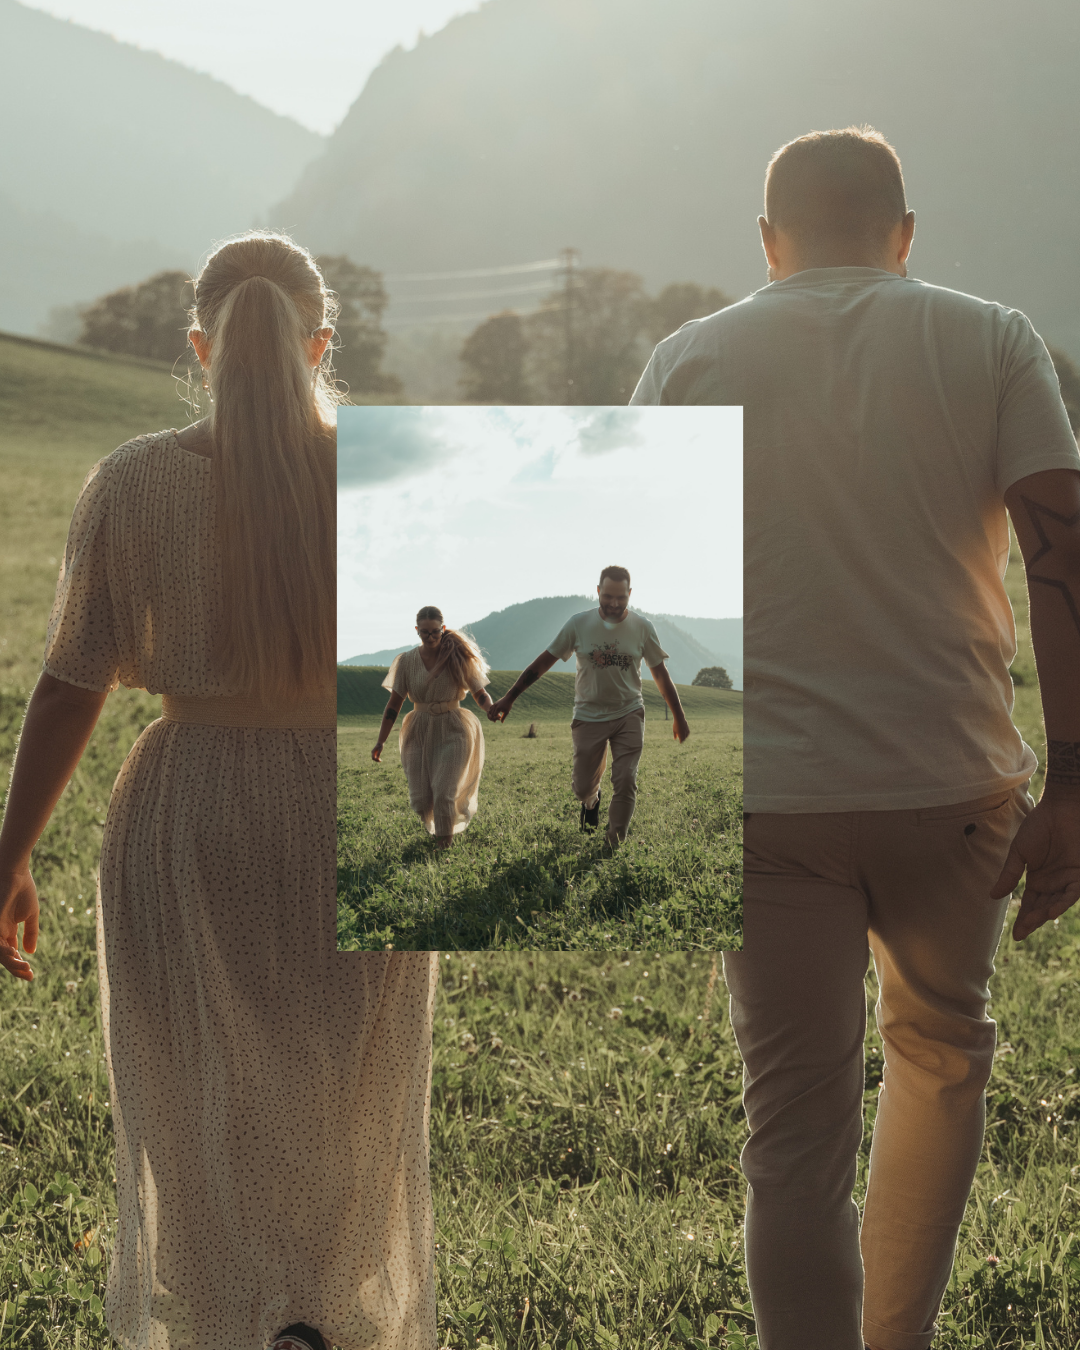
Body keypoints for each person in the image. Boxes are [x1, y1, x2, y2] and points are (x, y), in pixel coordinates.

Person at [632, 126, 1080, 1350]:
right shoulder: (993, 339)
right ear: (905, 234)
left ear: (768, 244)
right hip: (955, 785)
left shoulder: (687, 359)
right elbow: (1061, 560)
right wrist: (1077, 780)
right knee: (944, 1058)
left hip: (765, 801)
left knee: (793, 1134)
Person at [0, 232, 437, 1350]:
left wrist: (8, 855)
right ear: (321, 344)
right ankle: (315, 1319)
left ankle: (226, 1324)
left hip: (188, 815)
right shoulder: (389, 475)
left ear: (199, 348)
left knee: (198, 1106)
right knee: (347, 1107)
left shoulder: (135, 482)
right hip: (354, 806)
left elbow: (66, 687)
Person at [487, 566, 690, 847]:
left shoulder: (642, 627)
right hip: (588, 715)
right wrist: (509, 697)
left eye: (621, 597)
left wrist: (679, 717)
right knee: (582, 786)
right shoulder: (578, 624)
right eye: (607, 596)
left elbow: (660, 674)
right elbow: (543, 662)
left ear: (630, 594)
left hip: (629, 712)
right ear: (597, 591)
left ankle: (613, 844)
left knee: (626, 779)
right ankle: (591, 802)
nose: (614, 604)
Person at [372, 607, 493, 848]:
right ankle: (438, 832)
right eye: (424, 633)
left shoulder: (458, 658)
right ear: (417, 630)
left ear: (443, 629)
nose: (430, 637)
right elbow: (394, 705)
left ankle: (443, 846)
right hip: (418, 730)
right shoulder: (406, 661)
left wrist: (491, 709)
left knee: (444, 791)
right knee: (421, 799)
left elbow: (480, 694)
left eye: (435, 632)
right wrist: (381, 741)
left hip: (454, 728)